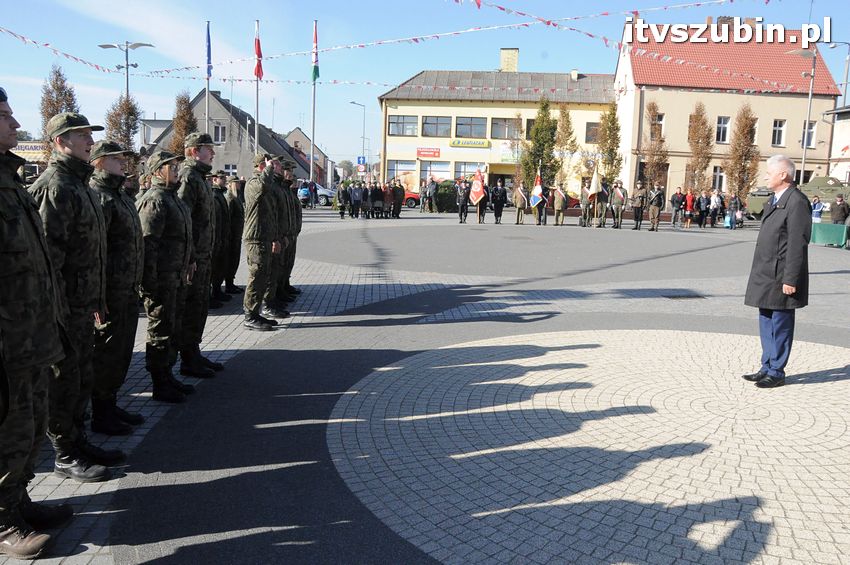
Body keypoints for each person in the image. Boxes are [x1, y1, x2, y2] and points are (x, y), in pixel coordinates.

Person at [28, 112, 119, 482]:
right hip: (63, 310)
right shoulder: (55, 187)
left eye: (88, 135)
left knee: (81, 377)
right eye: (81, 135)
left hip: (83, 305)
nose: (89, 141)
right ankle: (64, 453)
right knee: (63, 380)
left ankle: (78, 441)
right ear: (60, 141)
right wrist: (58, 311)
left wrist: (96, 297)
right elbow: (48, 260)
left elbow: (90, 251)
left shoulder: (80, 185)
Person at [0, 87, 71, 559]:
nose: (14, 122)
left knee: (28, 428)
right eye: (4, 115)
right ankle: (2, 523)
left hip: (31, 336)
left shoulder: (10, 182)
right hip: (6, 344)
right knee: (7, 431)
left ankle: (18, 503)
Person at [89, 141, 144, 436]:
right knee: (106, 352)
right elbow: (95, 251)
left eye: (124, 158)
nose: (124, 163)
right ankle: (101, 412)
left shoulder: (119, 195)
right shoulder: (99, 196)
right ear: (99, 161)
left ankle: (110, 403)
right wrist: (99, 294)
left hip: (127, 287)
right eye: (116, 158)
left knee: (121, 351)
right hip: (110, 292)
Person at [743, 155, 811, 388]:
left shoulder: (796, 201)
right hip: (766, 274)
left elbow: (797, 244)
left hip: (781, 275)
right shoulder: (774, 199)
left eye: (769, 173)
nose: (765, 177)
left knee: (780, 323)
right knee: (766, 321)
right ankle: (766, 365)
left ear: (783, 175)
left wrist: (791, 278)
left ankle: (777, 371)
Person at [137, 150, 197, 403]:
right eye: (170, 167)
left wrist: (190, 259)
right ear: (156, 172)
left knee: (173, 328)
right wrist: (149, 283)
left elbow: (185, 234)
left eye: (176, 166)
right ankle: (159, 382)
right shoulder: (155, 200)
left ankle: (168, 374)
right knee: (160, 330)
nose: (176, 170)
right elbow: (148, 244)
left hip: (177, 277)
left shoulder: (173, 198)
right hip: (161, 279)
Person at [176, 133, 220, 379]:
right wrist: (190, 256)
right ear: (194, 151)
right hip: (193, 259)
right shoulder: (188, 177)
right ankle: (188, 359)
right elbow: (183, 220)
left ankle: (194, 352)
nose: (212, 153)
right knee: (191, 308)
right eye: (208, 148)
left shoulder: (200, 178)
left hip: (203, 255)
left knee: (199, 306)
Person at [242, 154, 282, 331]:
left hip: (265, 238)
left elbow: (272, 215)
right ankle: (249, 316)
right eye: (271, 165)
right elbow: (262, 185)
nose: (275, 167)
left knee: (263, 278)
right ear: (261, 166)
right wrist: (269, 169)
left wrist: (274, 238)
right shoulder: (253, 183)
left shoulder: (267, 185)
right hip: (255, 239)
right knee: (256, 277)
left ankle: (257, 313)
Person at [209, 171, 231, 306]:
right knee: (213, 268)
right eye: (221, 178)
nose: (224, 180)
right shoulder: (213, 195)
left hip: (221, 237)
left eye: (224, 178)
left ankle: (217, 291)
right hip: (215, 237)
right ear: (215, 180)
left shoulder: (220, 194)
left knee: (219, 267)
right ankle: (211, 294)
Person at [224, 176, 244, 294]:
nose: (239, 185)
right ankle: (228, 284)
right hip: (231, 236)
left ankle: (231, 283)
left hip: (236, 235)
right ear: (231, 184)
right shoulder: (230, 198)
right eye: (237, 183)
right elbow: (228, 219)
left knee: (235, 260)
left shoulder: (237, 198)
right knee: (230, 260)